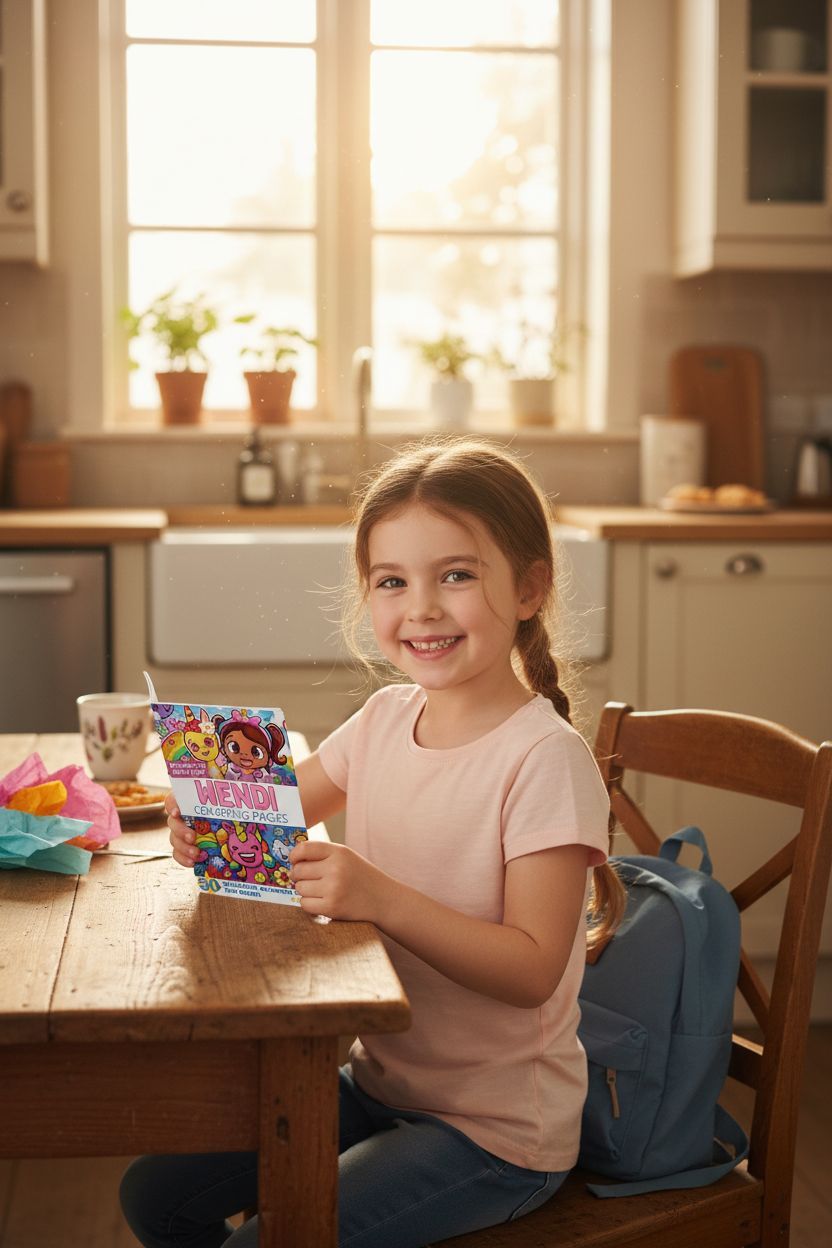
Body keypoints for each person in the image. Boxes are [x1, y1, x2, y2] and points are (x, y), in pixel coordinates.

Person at [120, 438, 625, 1248]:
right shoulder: (386, 720)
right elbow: (277, 814)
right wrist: (210, 825)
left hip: (495, 1136)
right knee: (154, 1193)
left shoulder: (544, 761)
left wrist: (381, 897)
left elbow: (532, 971)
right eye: (393, 582)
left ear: (531, 587)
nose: (420, 608)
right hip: (382, 1083)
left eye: (455, 575)